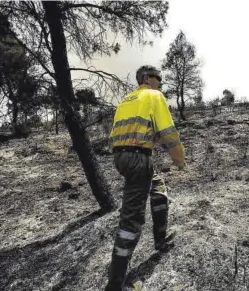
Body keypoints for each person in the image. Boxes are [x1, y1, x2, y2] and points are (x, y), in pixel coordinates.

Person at [105, 65, 186, 290]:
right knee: (132, 220)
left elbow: (123, 133)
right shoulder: (154, 95)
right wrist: (179, 159)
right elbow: (169, 132)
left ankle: (160, 240)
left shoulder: (126, 100)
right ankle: (115, 284)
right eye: (157, 78)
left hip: (122, 158)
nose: (160, 83)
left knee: (158, 187)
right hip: (139, 159)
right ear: (147, 78)